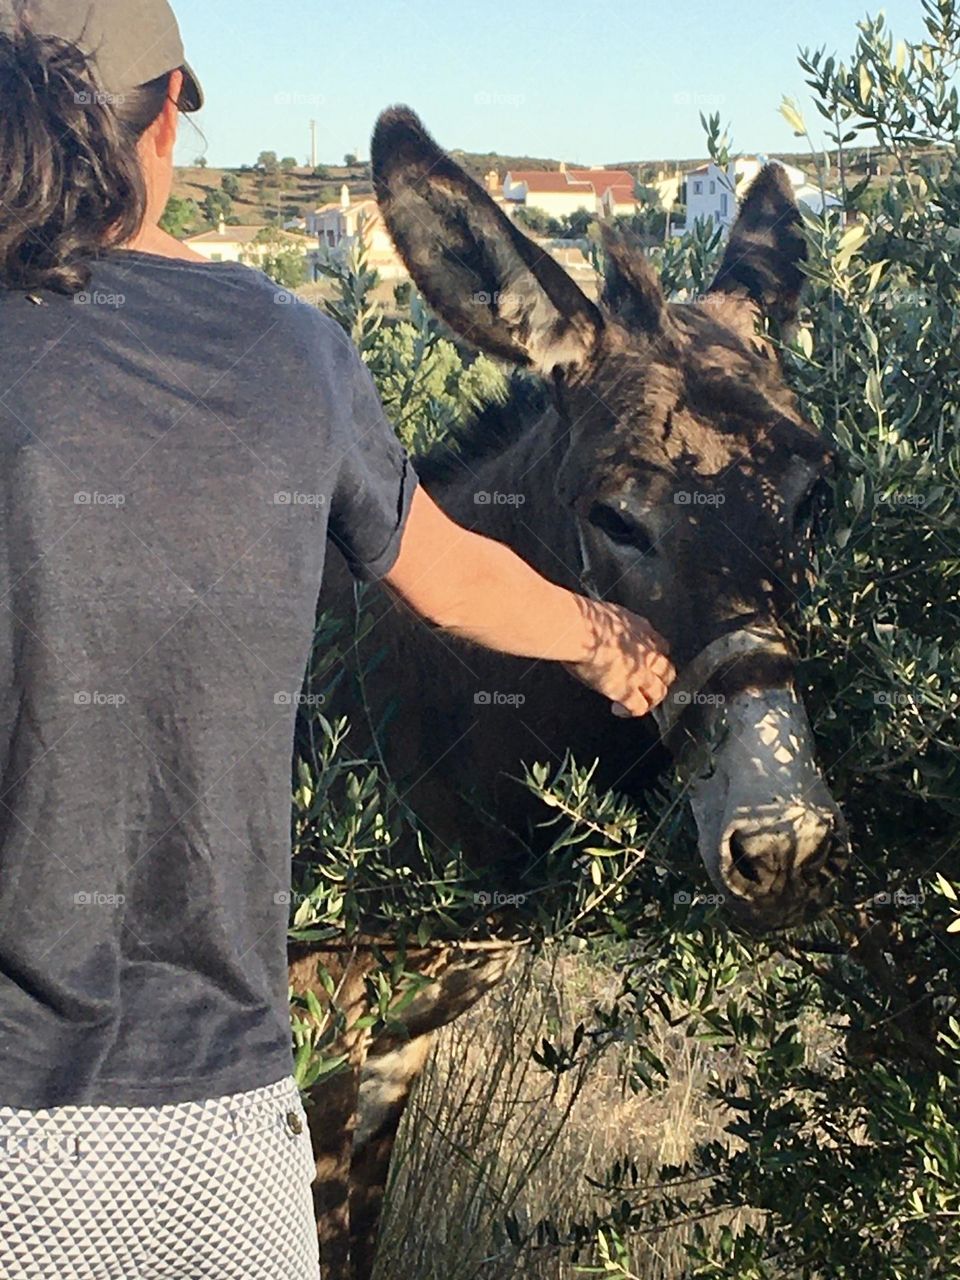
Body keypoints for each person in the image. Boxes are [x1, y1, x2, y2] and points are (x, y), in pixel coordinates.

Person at [0, 2, 675, 1277]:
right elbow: (455, 578)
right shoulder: (287, 347)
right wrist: (606, 638)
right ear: (171, 116)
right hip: (218, 1123)